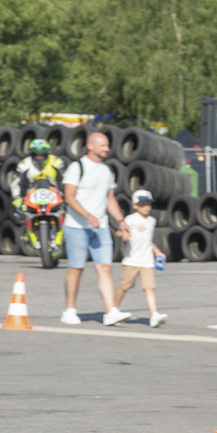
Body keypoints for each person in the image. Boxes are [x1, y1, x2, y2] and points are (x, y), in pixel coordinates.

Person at [60, 130, 131, 326]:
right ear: (90, 146)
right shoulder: (77, 167)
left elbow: (110, 199)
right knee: (76, 268)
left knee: (105, 267)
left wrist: (120, 220)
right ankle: (69, 310)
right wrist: (87, 216)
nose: (107, 149)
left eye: (107, 145)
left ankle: (110, 311)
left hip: (101, 228)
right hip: (76, 227)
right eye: (103, 145)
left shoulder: (107, 170)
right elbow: (69, 197)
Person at [115, 190, 167, 327]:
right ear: (135, 205)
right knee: (124, 287)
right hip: (131, 260)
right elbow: (119, 232)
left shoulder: (152, 221)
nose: (146, 207)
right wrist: (124, 235)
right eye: (143, 204)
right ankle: (113, 309)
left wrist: (158, 252)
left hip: (147, 261)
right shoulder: (130, 219)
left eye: (149, 204)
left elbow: (149, 241)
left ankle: (154, 314)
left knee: (150, 287)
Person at [8, 138, 64, 214]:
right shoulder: (24, 164)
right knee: (20, 213)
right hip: (30, 196)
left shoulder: (57, 162)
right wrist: (17, 197)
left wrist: (65, 196)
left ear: (47, 153)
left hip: (55, 195)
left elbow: (65, 180)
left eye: (42, 154)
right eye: (36, 154)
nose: (39, 156)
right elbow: (16, 183)